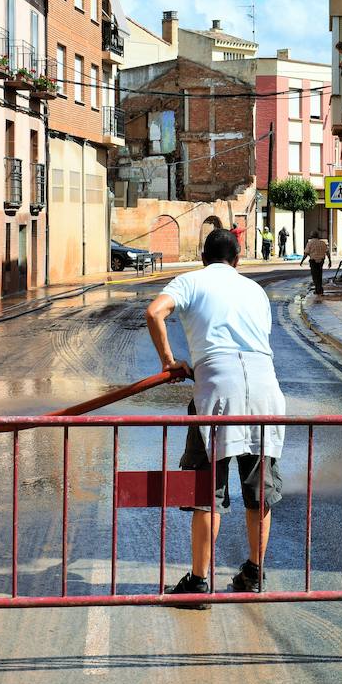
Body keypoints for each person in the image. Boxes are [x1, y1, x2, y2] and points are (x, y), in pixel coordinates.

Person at [145, 228, 285, 606]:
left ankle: (198, 581)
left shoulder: (191, 280)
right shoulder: (255, 291)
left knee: (207, 490)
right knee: (259, 489)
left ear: (203, 257)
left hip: (216, 392)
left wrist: (170, 362)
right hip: (265, 391)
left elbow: (154, 311)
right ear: (238, 260)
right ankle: (255, 574)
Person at [300, 230, 332, 295]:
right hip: (321, 261)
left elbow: (306, 253)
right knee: (319, 275)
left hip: (313, 261)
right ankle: (319, 289)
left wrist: (302, 261)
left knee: (315, 276)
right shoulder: (322, 243)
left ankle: (318, 289)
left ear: (312, 236)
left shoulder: (310, 243)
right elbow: (327, 252)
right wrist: (329, 261)